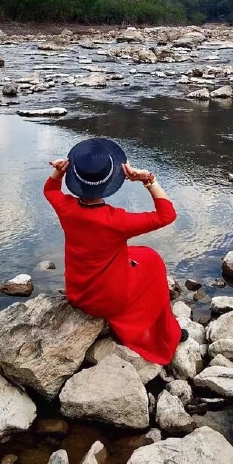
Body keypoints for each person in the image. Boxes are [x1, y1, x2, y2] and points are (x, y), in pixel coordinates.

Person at [44, 136, 184, 366]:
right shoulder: (117, 221)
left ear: (75, 177)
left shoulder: (66, 208)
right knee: (153, 262)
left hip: (78, 295)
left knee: (138, 255)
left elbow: (50, 190)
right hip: (109, 302)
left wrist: (58, 172)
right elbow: (167, 214)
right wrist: (148, 179)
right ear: (110, 181)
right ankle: (158, 331)